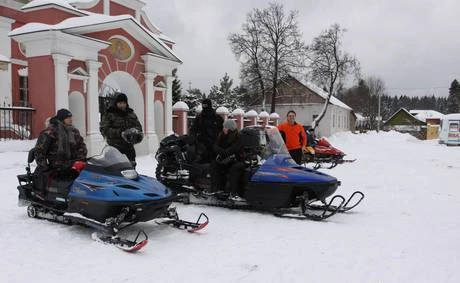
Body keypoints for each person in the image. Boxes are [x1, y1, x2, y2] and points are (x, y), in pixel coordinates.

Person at [34, 108, 87, 197]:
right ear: (62, 119)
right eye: (68, 118)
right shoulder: (49, 132)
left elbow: (81, 146)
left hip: (72, 163)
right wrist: (44, 167)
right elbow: (39, 151)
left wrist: (80, 159)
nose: (71, 119)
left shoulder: (74, 131)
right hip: (57, 164)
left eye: (71, 117)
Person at [100, 92, 143, 164]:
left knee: (131, 170)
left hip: (129, 148)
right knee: (116, 170)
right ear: (115, 103)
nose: (122, 105)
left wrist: (136, 132)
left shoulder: (131, 113)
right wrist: (120, 133)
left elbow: (138, 126)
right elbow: (104, 130)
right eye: (120, 103)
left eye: (124, 103)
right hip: (115, 148)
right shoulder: (110, 114)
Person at [210, 119, 246, 201]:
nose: (223, 129)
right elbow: (215, 146)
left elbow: (229, 151)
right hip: (226, 160)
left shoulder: (238, 138)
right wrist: (218, 149)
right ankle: (217, 190)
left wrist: (218, 149)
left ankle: (233, 193)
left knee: (234, 169)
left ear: (230, 128)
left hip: (237, 160)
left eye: (225, 127)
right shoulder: (222, 136)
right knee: (215, 165)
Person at [189, 98, 224, 162]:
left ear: (209, 105)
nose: (204, 106)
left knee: (215, 162)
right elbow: (193, 129)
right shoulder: (199, 117)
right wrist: (193, 137)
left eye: (206, 105)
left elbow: (222, 129)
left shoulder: (217, 117)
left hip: (215, 143)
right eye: (203, 105)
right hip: (202, 144)